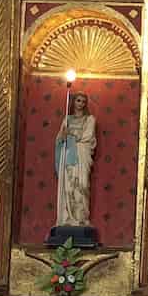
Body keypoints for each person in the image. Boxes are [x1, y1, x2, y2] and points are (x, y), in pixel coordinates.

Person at [54, 91, 97, 230]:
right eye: (78, 100)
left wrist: (71, 134)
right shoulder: (67, 120)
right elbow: (60, 138)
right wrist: (63, 137)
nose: (81, 104)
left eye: (83, 101)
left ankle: (81, 218)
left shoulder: (90, 119)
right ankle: (67, 218)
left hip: (82, 154)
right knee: (68, 187)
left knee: (82, 185)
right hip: (69, 155)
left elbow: (87, 137)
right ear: (73, 102)